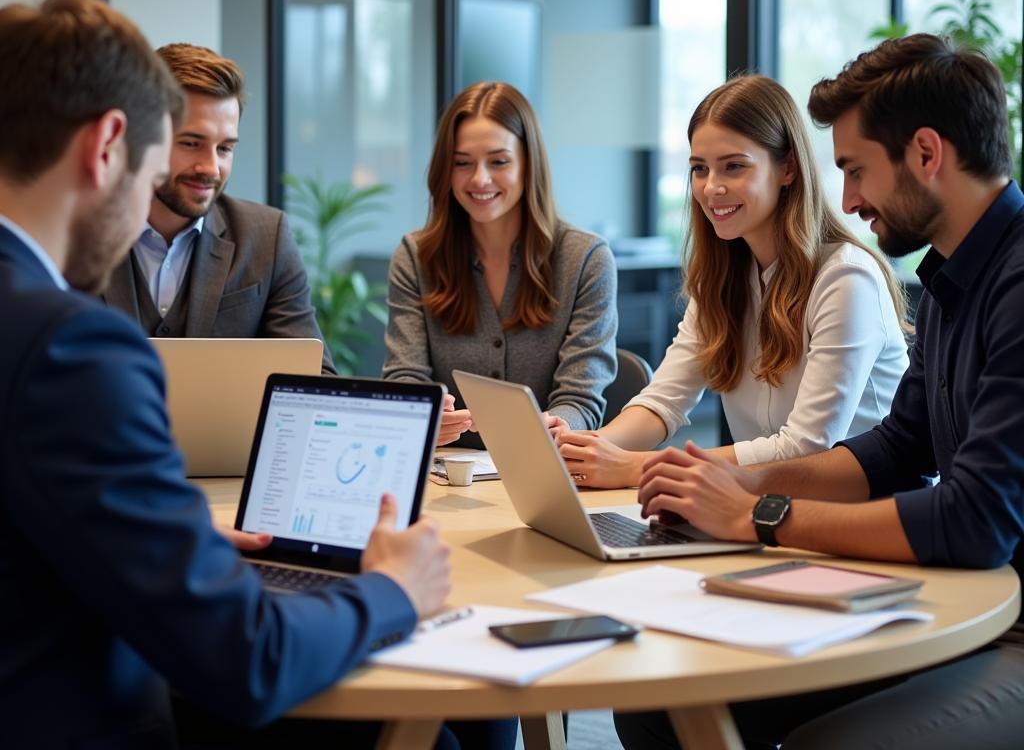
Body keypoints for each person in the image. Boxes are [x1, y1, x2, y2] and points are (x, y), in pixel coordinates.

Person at [0, 0, 452, 748]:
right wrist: (392, 591)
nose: (202, 172)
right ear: (109, 144)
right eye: (160, 160)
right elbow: (250, 659)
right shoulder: (66, 346)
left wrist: (171, 537)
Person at [617, 34, 1024, 750]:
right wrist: (730, 483)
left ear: (927, 154)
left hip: (1007, 625)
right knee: (658, 705)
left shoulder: (1014, 284)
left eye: (856, 170)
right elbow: (897, 450)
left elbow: (975, 520)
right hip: (962, 598)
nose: (849, 198)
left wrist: (760, 514)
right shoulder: (947, 280)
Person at [556, 74, 908, 488]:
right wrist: (585, 451)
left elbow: (807, 447)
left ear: (788, 168)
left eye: (734, 166)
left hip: (865, 518)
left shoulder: (846, 278)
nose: (711, 187)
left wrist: (639, 467)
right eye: (699, 169)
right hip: (768, 508)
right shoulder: (724, 280)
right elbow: (662, 402)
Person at [383, 81, 617, 447]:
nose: (479, 179)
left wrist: (557, 425)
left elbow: (580, 400)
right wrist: (423, 413)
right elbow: (404, 379)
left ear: (528, 164)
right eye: (462, 163)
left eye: (499, 161)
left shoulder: (585, 259)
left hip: (542, 468)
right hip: (448, 475)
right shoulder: (416, 257)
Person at [100, 42, 334, 374]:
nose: (211, 167)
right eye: (191, 143)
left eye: (224, 148)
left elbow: (315, 382)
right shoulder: (76, 235)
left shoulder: (267, 237)